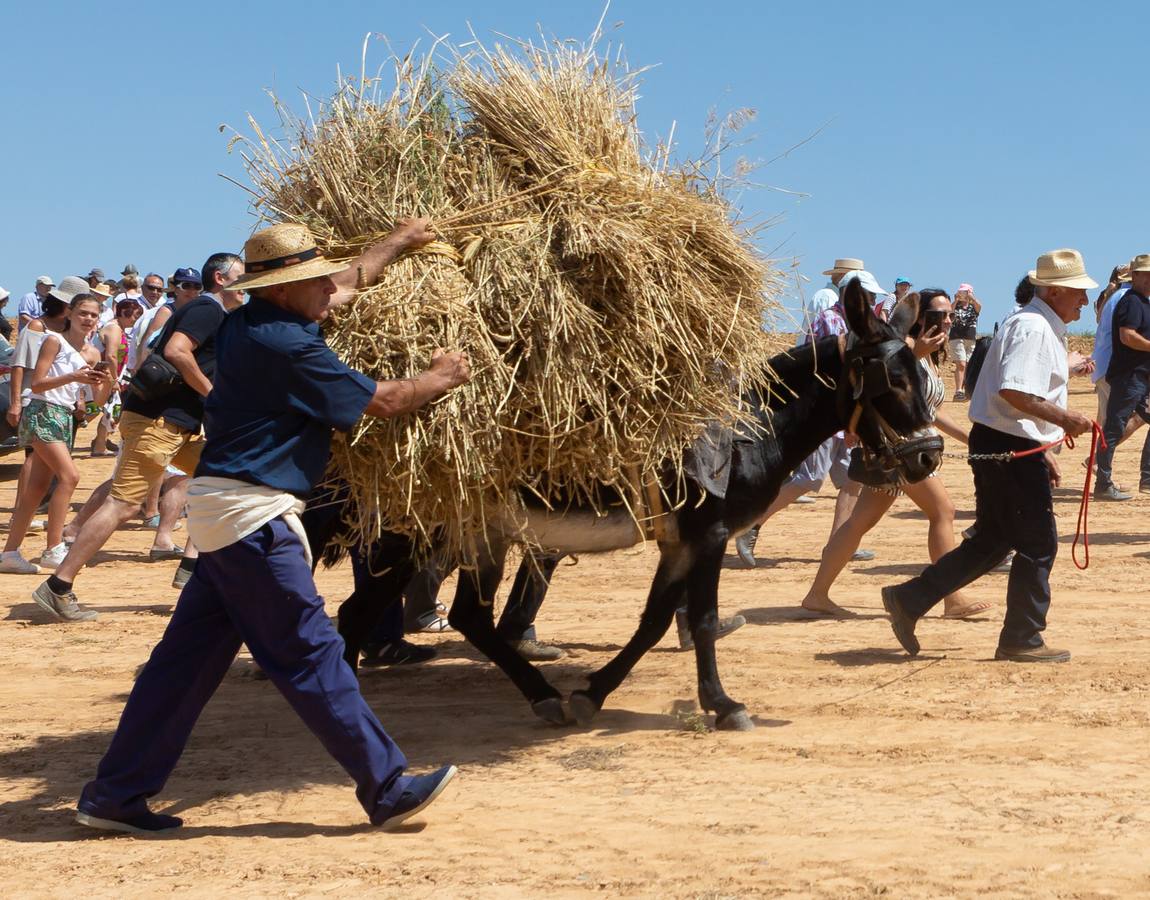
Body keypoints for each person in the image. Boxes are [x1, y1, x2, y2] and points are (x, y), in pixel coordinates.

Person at [75, 219, 468, 835]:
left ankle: (114, 795)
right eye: (309, 281)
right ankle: (388, 789)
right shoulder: (288, 345)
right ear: (283, 290)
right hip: (254, 519)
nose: (324, 290)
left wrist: (398, 240)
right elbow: (385, 400)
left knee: (182, 666)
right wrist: (440, 376)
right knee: (311, 654)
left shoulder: (244, 324)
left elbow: (344, 283)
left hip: (224, 512)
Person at [881, 248, 1096, 663]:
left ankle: (910, 598)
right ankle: (1022, 638)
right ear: (1053, 292)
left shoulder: (1034, 324)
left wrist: (1042, 442)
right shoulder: (1033, 328)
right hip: (1007, 446)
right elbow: (1014, 392)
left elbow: (1016, 393)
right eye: (1077, 293)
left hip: (1005, 442)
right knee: (1037, 542)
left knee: (996, 540)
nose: (1084, 301)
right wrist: (1065, 419)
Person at [35, 263, 220, 617]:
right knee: (123, 504)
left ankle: (192, 565)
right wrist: (215, 397)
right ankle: (58, 585)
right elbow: (174, 352)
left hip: (172, 425)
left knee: (223, 472)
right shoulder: (208, 309)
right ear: (223, 279)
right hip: (159, 423)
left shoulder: (210, 313)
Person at [798, 289, 990, 619]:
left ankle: (817, 594)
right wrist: (915, 352)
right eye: (937, 315)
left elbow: (928, 411)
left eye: (949, 315)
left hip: (907, 448)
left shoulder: (930, 353)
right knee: (943, 511)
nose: (946, 320)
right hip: (900, 448)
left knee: (858, 523)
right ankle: (952, 596)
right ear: (918, 319)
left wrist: (968, 438)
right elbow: (882, 380)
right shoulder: (904, 349)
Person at [738, 267, 879, 568]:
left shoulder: (857, 325)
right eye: (867, 296)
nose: (870, 301)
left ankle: (840, 544)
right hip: (825, 414)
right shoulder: (832, 320)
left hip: (844, 415)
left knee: (851, 481)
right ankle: (750, 524)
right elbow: (835, 374)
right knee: (809, 478)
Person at [1, 291, 113, 578]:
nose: (88, 319)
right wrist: (74, 377)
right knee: (70, 476)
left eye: (93, 315)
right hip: (42, 410)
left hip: (62, 416)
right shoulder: (54, 341)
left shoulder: (92, 353)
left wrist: (106, 384)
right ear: (70, 314)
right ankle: (53, 548)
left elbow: (91, 406)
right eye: (83, 313)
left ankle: (10, 553)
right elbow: (37, 383)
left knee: (37, 488)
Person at [1093, 254, 1150, 500]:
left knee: (1117, 425)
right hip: (1129, 376)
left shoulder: (1142, 302)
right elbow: (1127, 336)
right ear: (1134, 276)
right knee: (1114, 427)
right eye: (1145, 274)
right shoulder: (1132, 302)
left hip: (1139, 376)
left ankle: (1147, 477)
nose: (1149, 279)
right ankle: (1103, 483)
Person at [948, 284, 981, 400]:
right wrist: (956, 300)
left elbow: (979, 307)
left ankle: (964, 391)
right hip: (956, 337)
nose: (963, 294)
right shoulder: (955, 306)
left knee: (967, 365)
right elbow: (949, 312)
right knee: (961, 364)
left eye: (965, 292)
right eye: (961, 292)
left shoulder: (973, 306)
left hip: (970, 338)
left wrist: (972, 297)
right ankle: (958, 390)